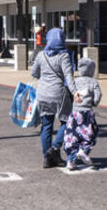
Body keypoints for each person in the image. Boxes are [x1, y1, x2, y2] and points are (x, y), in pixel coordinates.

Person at [29, 27, 77, 168]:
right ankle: (54, 149)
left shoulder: (41, 55)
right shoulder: (64, 56)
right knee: (67, 121)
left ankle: (47, 158)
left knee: (47, 126)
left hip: (43, 94)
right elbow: (69, 77)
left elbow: (34, 73)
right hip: (58, 94)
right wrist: (75, 92)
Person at [60, 56, 103, 171]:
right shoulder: (93, 82)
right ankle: (84, 151)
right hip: (87, 112)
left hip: (75, 113)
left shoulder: (75, 81)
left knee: (72, 137)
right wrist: (94, 102)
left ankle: (70, 160)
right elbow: (98, 96)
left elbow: (69, 93)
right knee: (90, 134)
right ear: (91, 70)